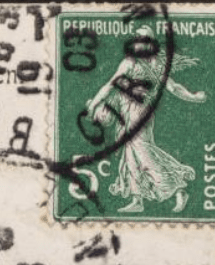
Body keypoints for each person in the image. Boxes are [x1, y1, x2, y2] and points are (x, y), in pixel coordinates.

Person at [85, 27, 208, 214]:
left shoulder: (153, 65)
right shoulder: (130, 63)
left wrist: (193, 97)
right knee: (132, 152)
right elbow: (111, 85)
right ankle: (137, 199)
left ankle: (176, 189)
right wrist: (94, 104)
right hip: (128, 111)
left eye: (143, 39)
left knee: (141, 151)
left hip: (141, 111)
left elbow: (173, 87)